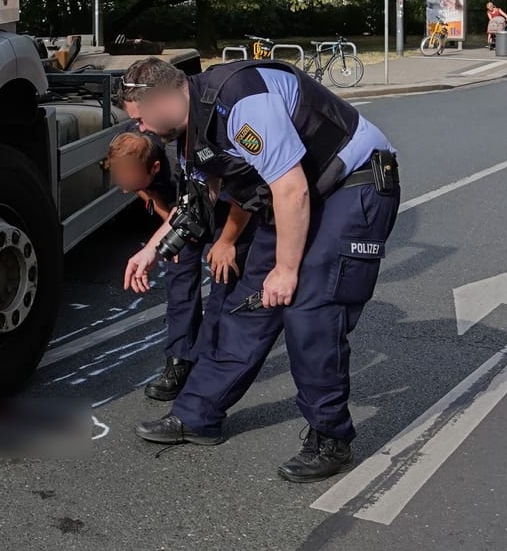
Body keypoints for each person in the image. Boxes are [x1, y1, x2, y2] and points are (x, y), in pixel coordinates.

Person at [124, 55, 402, 484]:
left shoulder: (241, 104)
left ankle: (330, 439)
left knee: (310, 309)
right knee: (246, 305)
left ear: (162, 100)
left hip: (351, 184)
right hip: (296, 193)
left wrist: (287, 270)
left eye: (141, 119)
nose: (140, 129)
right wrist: (150, 251)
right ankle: (197, 416)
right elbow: (197, 203)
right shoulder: (193, 123)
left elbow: (291, 191)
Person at [107, 129, 213, 401]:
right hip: (181, 212)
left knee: (226, 275)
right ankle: (179, 361)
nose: (123, 188)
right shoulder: (140, 151)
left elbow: (186, 206)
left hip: (212, 206)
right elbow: (151, 194)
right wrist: (169, 230)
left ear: (154, 168)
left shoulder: (175, 162)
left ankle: (216, 360)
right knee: (179, 276)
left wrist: (226, 243)